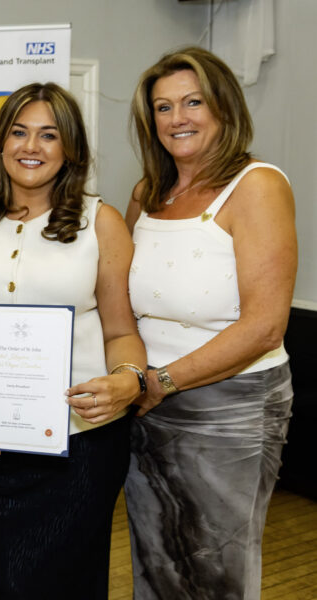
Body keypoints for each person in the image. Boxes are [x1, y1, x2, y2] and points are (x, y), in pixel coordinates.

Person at [0, 82, 147, 598]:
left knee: (70, 582)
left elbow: (121, 331)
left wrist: (128, 381)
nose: (32, 146)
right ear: (0, 143)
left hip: (80, 445)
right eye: (19, 132)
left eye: (49, 135)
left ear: (70, 147)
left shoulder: (102, 222)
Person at [124, 46, 296, 599]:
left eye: (193, 102)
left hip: (231, 403)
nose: (178, 119)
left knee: (217, 566)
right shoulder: (147, 193)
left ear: (223, 106)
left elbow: (265, 326)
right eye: (164, 107)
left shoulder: (257, 185)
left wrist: (163, 381)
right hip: (147, 398)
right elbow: (118, 297)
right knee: (156, 558)